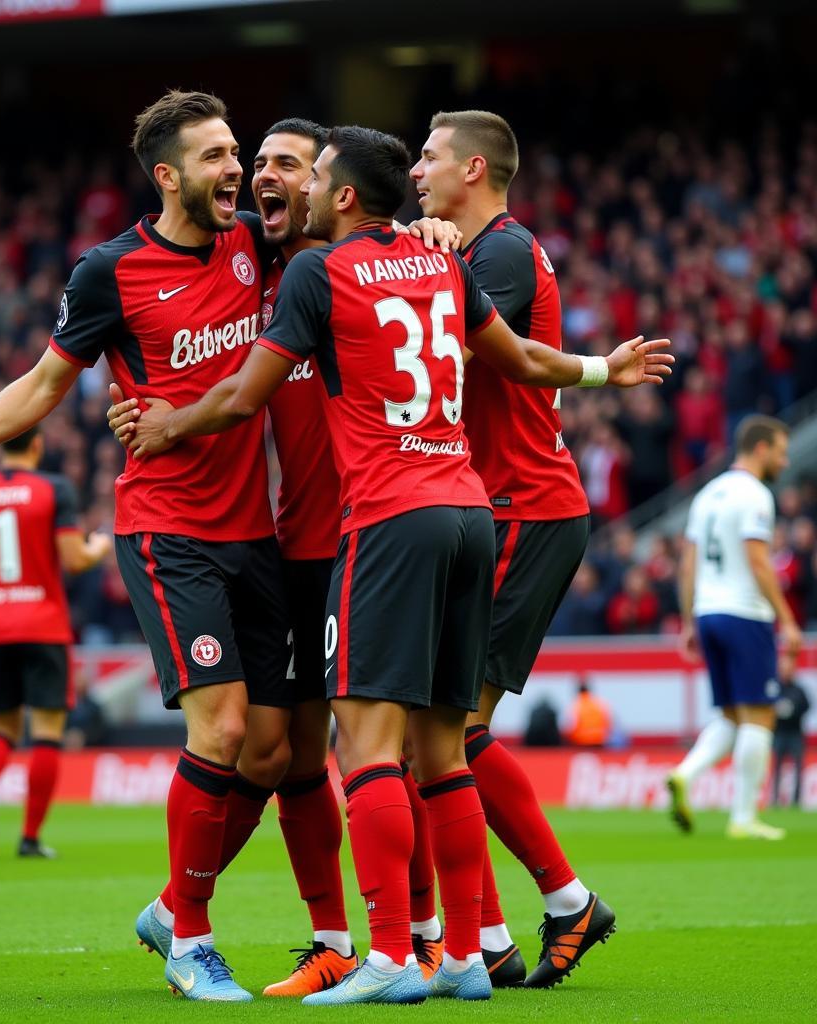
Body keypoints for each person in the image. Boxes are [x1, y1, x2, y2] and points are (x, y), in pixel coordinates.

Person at [123, 125, 671, 1004]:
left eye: (307, 174)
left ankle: (387, 956)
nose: (284, 189)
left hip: (383, 521)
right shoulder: (444, 263)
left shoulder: (316, 273)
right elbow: (526, 360)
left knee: (366, 745)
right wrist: (607, 368)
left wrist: (169, 425)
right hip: (466, 509)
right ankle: (463, 952)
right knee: (444, 750)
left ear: (339, 195)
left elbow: (239, 395)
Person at [0, 89, 303, 1003]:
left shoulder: (258, 241)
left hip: (258, 529)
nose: (234, 169)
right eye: (213, 156)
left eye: (235, 152)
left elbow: (352, 226)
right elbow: (47, 381)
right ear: (167, 175)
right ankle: (192, 945)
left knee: (275, 753)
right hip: (169, 529)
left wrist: (430, 232)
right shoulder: (109, 272)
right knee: (226, 726)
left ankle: (172, 903)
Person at [113, 120, 462, 996]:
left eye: (286, 167)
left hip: (365, 537)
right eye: (255, 164)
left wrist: (432, 226)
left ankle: (423, 942)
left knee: (378, 753)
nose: (265, 181)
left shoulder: (348, 267)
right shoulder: (266, 272)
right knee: (284, 757)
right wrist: (142, 409)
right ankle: (335, 939)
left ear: (330, 188)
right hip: (292, 548)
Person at [410, 109, 617, 989]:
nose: (418, 170)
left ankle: (560, 905)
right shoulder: (485, 248)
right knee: (438, 733)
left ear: (478, 168)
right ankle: (488, 936)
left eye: (429, 157)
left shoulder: (494, 252)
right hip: (497, 505)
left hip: (521, 505)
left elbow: (439, 342)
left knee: (453, 730)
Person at [0, 426, 110, 858]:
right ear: (37, 445)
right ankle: (30, 837)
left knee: (2, 729)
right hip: (43, 624)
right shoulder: (54, 489)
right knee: (47, 733)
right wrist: (98, 547)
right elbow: (74, 560)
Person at [669, 415, 801, 840]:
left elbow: (687, 564)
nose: (784, 460)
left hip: (708, 613)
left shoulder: (707, 493)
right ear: (760, 448)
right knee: (759, 717)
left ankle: (685, 774)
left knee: (730, 714)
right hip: (745, 613)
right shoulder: (756, 495)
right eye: (780, 452)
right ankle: (744, 817)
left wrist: (690, 619)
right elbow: (758, 560)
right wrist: (788, 620)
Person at [772, 674, 810, 807]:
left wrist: (793, 710)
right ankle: (774, 799)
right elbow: (767, 705)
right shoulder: (775, 688)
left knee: (798, 768)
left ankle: (796, 800)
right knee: (776, 768)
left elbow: (807, 706)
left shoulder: (798, 690)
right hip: (779, 733)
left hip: (795, 733)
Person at [567, 681, 613, 747]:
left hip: (581, 741)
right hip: (599, 740)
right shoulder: (599, 703)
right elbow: (608, 722)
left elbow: (572, 726)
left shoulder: (576, 705)